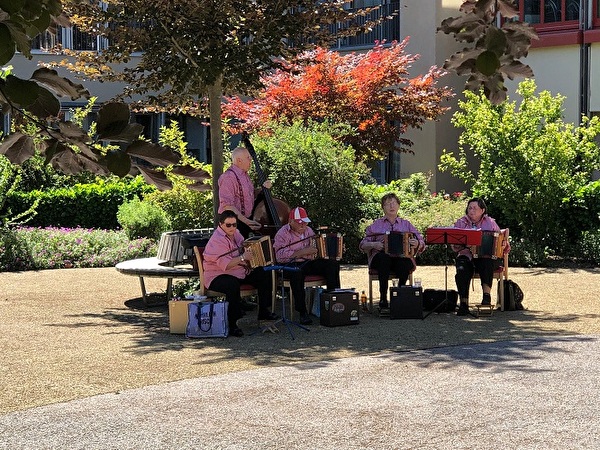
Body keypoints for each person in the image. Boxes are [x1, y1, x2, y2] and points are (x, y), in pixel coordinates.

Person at [202, 210, 278, 337]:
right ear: (220, 224)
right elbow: (225, 265)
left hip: (238, 272)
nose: (232, 228)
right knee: (232, 285)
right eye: (228, 225)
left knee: (263, 273)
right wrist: (243, 257)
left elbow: (244, 246)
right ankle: (232, 325)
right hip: (217, 275)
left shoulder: (236, 233)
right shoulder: (217, 240)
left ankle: (264, 311)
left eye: (234, 224)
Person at [273, 207, 341, 325]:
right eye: (300, 223)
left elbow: (315, 250)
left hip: (307, 262)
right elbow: (279, 256)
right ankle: (302, 312)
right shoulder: (282, 233)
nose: (303, 225)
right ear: (291, 221)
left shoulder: (309, 231)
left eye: (305, 222)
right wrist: (301, 252)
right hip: (290, 264)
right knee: (297, 272)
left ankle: (333, 302)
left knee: (332, 264)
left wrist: (320, 251)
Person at [359, 193, 425, 309]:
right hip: (381, 258)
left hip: (400, 257)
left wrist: (417, 243)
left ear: (398, 206)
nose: (391, 206)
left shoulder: (406, 224)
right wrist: (374, 244)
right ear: (383, 207)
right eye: (388, 204)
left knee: (404, 262)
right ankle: (383, 297)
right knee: (384, 259)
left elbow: (420, 240)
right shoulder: (376, 225)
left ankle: (399, 296)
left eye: (394, 203)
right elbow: (362, 244)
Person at [452, 197, 510, 316]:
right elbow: (454, 245)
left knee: (486, 261)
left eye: (474, 208)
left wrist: (503, 243)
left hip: (486, 258)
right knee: (462, 267)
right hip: (467, 256)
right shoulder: (461, 222)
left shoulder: (490, 222)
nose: (471, 210)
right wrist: (464, 244)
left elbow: (502, 241)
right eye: (469, 208)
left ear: (482, 210)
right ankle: (463, 303)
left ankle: (486, 297)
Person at [218, 146, 272, 238]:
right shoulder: (228, 177)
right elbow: (228, 206)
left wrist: (264, 189)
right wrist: (247, 222)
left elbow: (249, 196)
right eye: (248, 157)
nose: (251, 159)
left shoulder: (245, 175)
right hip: (233, 223)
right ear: (239, 160)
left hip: (244, 221)